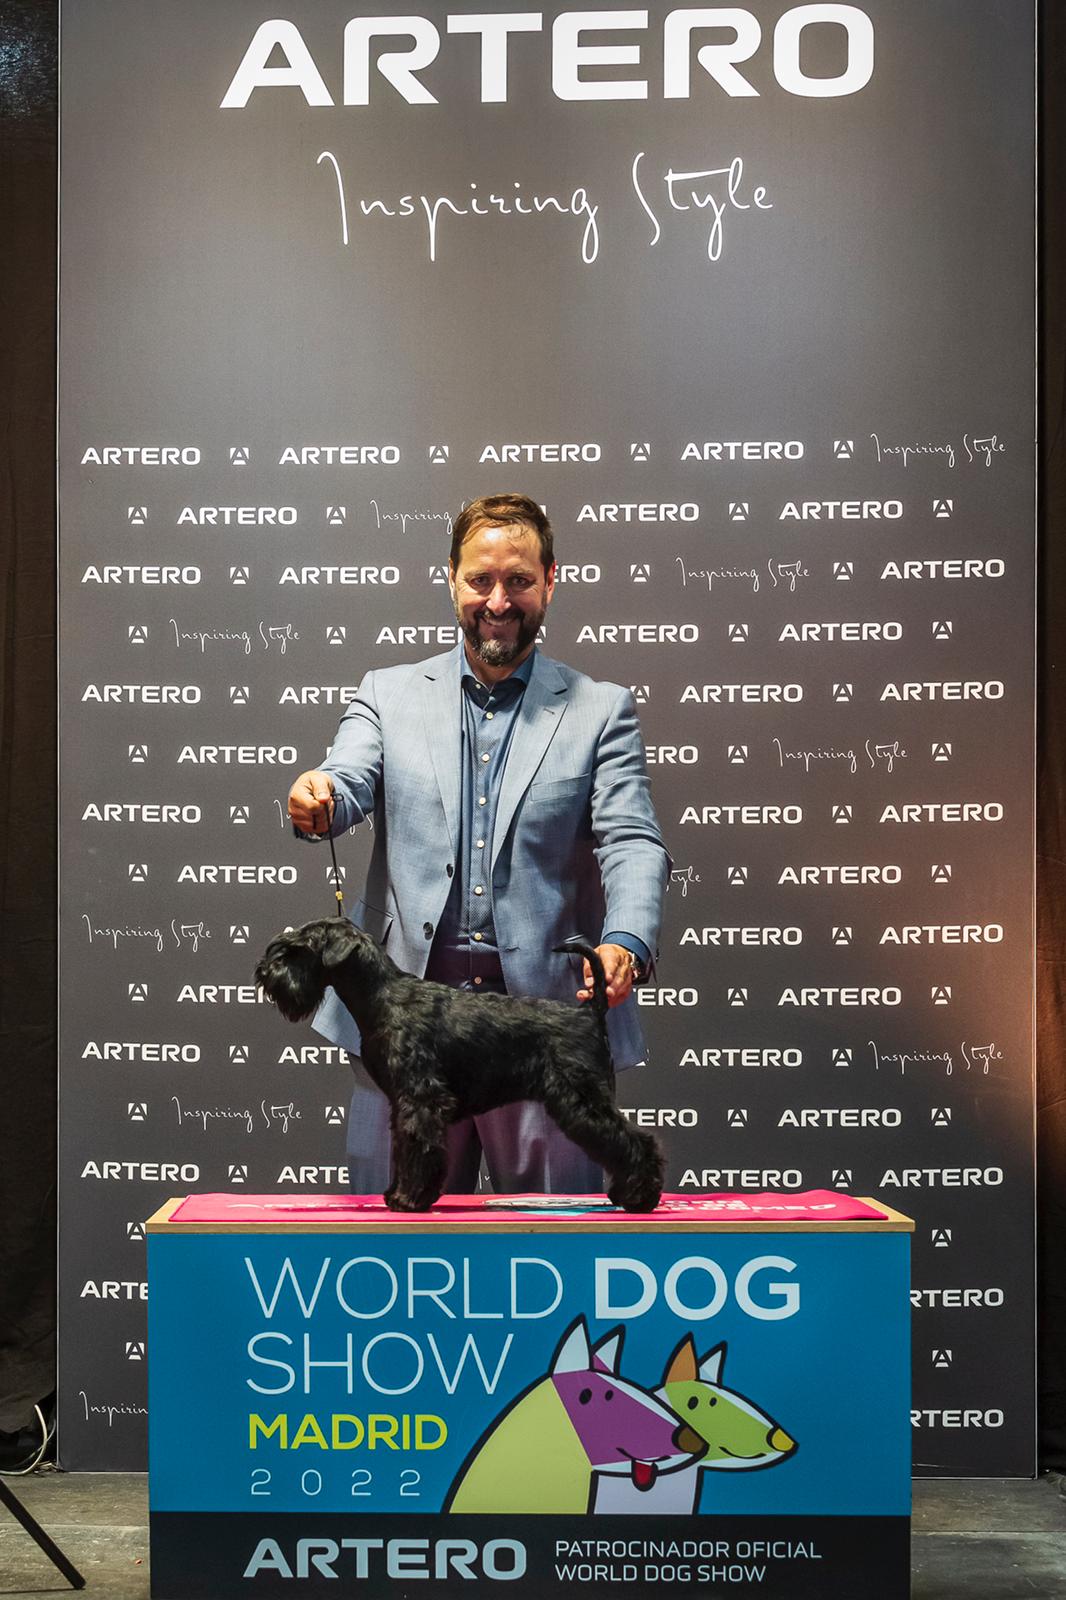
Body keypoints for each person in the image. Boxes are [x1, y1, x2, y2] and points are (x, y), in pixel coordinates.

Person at [287, 492, 670, 1195]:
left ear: (550, 582)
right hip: (403, 1022)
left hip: (540, 1019)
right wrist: (321, 795)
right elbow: (348, 778)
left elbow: (633, 840)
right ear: (452, 581)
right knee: (394, 1241)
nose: (498, 601)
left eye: (518, 580)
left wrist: (626, 941)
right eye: (480, 580)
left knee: (559, 1246)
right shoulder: (386, 694)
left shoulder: (600, 708)